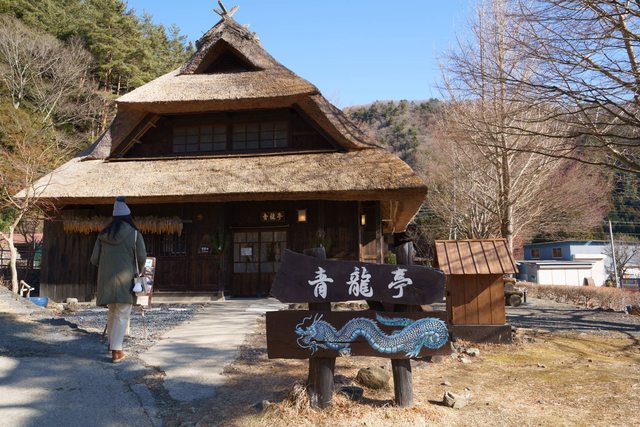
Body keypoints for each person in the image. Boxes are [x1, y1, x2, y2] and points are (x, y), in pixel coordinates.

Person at [90, 196, 146, 363]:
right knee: (122, 314)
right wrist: (139, 270)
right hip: (126, 280)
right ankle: (117, 351)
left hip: (106, 281)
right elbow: (141, 257)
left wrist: (107, 266)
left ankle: (112, 343)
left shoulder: (103, 234)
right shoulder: (134, 234)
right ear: (128, 217)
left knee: (113, 311)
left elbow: (94, 259)